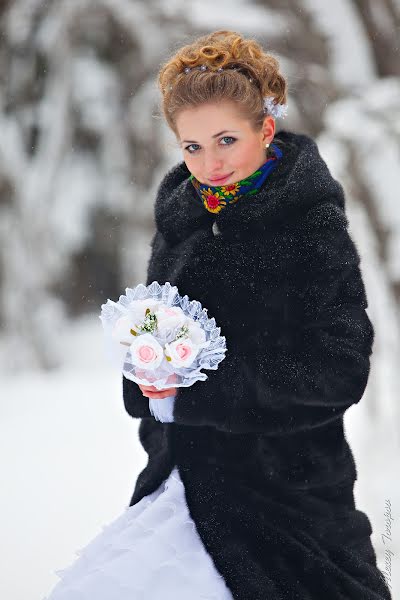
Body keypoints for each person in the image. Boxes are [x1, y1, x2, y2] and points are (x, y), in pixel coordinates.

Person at [45, 30, 392, 600]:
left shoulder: (309, 227)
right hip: (179, 487)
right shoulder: (181, 221)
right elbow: (158, 333)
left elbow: (339, 369)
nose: (211, 162)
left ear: (266, 128)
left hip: (286, 502)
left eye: (227, 139)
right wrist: (149, 379)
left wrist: (202, 394)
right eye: (192, 147)